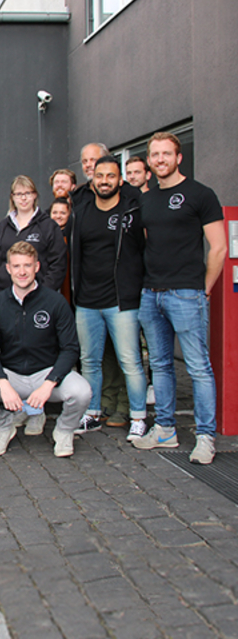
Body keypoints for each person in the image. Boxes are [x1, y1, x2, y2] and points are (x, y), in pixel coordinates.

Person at [133, 132, 226, 464]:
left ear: (178, 157)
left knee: (199, 367)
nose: (160, 160)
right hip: (150, 294)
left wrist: (205, 289)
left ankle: (205, 436)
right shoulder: (146, 199)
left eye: (166, 154)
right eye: (154, 155)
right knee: (160, 366)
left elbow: (219, 247)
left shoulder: (200, 194)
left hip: (187, 293)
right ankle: (166, 429)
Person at [0, 242, 89, 458]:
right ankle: (4, 427)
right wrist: (2, 382)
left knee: (82, 392)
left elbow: (70, 348)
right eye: (16, 266)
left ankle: (64, 431)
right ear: (8, 268)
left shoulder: (56, 302)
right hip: (11, 374)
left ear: (37, 267)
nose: (22, 271)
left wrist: (49, 383)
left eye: (27, 265)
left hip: (47, 374)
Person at [69, 156, 147, 441]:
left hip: (121, 301)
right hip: (87, 301)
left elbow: (142, 248)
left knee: (130, 361)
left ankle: (138, 417)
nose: (104, 181)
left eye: (110, 176)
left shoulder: (132, 210)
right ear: (92, 180)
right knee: (90, 361)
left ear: (120, 180)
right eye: (99, 176)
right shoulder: (82, 210)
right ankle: (92, 413)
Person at [0, 175, 66, 303]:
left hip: (38, 300)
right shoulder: (2, 228)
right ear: (12, 197)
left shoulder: (48, 226)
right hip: (3, 298)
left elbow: (58, 265)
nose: (23, 198)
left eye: (27, 193)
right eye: (19, 194)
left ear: (35, 195)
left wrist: (43, 294)